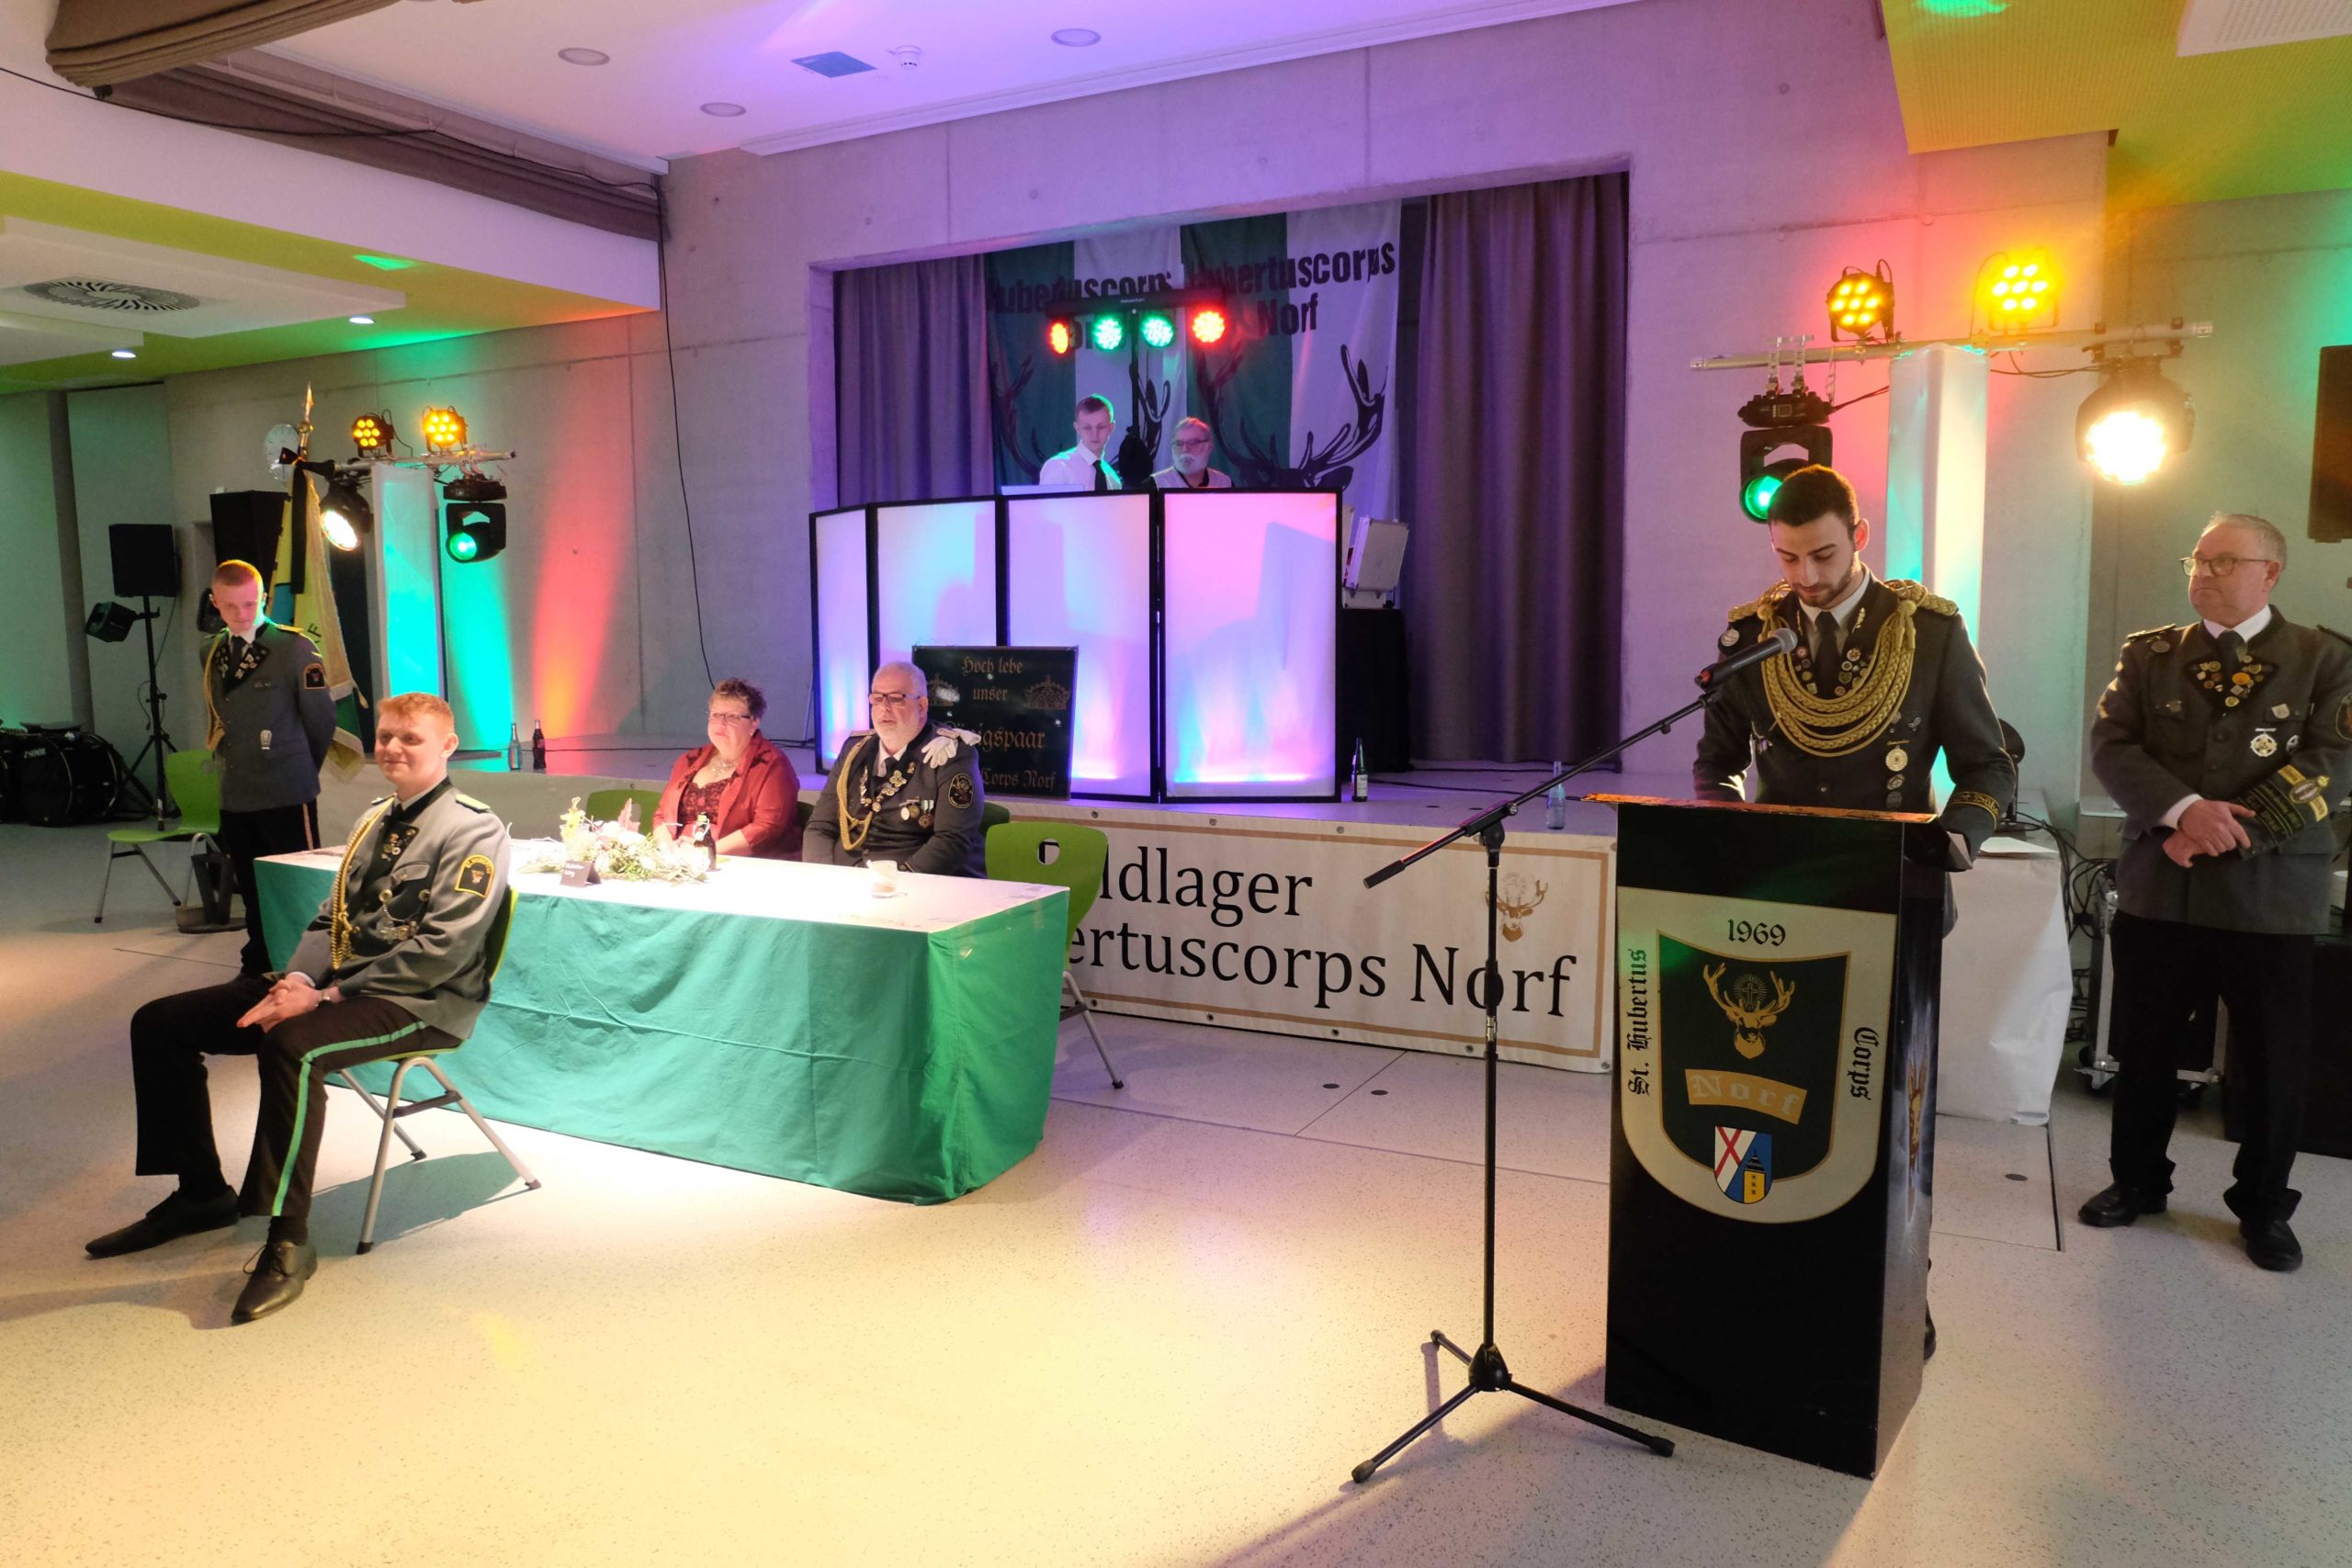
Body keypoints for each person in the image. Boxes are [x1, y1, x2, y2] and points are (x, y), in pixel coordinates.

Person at [1692, 464, 2017, 1360]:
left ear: (1860, 536)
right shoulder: (1753, 636)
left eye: (1824, 555)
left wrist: (1958, 838)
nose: (1805, 576)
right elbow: (1715, 764)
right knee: (1780, 1100)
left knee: (1890, 1112)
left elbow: (1988, 766)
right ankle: (1781, 1269)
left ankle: (1899, 1286)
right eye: (1787, 558)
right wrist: (1727, 831)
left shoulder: (1928, 631)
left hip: (1894, 899)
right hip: (1786, 909)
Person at [85, 694, 512, 1325]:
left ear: (447, 747)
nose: (392, 748)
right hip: (332, 984)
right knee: (161, 1022)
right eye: (385, 736)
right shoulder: (374, 817)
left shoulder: (474, 829)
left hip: (420, 1000)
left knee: (293, 1047)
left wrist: (327, 995)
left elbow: (445, 949)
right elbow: (327, 915)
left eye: (410, 739)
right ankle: (201, 1192)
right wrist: (295, 980)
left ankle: (288, 1240)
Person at [2078, 513, 2352, 1271]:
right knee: (2144, 1048)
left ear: (2271, 572)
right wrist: (2182, 811)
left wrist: (2220, 831)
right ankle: (2137, 1181)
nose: (2204, 572)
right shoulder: (2150, 655)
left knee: (2272, 1064)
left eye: (2225, 561)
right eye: (2197, 559)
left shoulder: (2324, 659)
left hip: (2271, 897)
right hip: (2163, 893)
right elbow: (2112, 746)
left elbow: (2334, 762)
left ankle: (2263, 1207)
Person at [201, 559, 336, 976]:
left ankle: (306, 966)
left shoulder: (293, 648)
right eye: (230, 606)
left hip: (285, 788)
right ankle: (259, 959)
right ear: (215, 603)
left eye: (249, 604)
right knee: (252, 884)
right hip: (237, 788)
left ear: (264, 598)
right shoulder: (211, 650)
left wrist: (299, 770)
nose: (241, 614)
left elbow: (320, 721)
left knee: (297, 883)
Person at [804, 661, 987, 877]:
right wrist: (824, 875)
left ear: (922, 706)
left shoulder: (950, 754)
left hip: (916, 882)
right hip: (847, 879)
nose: (884, 708)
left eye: (896, 699)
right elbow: (820, 826)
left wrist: (895, 881)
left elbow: (952, 840)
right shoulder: (854, 750)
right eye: (877, 699)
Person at [652, 677, 802, 859]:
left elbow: (767, 828)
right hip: (679, 859)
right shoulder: (688, 760)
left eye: (733, 717)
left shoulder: (773, 765)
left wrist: (706, 851)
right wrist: (665, 847)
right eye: (716, 715)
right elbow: (662, 815)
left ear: (754, 723)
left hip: (742, 862)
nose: (720, 723)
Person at [1037, 396, 1123, 491]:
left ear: (1111, 427)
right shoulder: (1058, 467)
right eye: (1087, 428)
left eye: (1101, 427)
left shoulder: (1113, 479)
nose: (1094, 434)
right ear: (1077, 428)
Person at [1151, 417, 1234, 491]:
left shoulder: (1225, 483)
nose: (1185, 449)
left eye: (1193, 443)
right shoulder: (1155, 485)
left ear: (1209, 447)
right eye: (1179, 444)